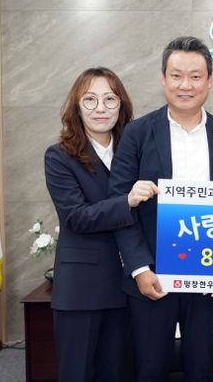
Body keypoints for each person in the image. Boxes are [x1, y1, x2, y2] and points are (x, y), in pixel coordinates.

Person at [108, 36, 213, 382]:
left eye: (196, 76)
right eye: (177, 75)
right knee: (150, 369)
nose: (186, 85)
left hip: (207, 276)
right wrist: (139, 269)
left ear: (209, 81)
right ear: (163, 79)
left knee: (201, 367)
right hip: (152, 278)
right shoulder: (136, 134)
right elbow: (120, 205)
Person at [44, 67, 157, 382]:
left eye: (110, 99)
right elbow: (76, 217)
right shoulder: (59, 156)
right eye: (90, 99)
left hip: (128, 287)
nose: (100, 108)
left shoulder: (135, 151)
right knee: (77, 374)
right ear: (76, 106)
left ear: (122, 105)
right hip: (81, 289)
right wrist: (127, 201)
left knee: (119, 373)